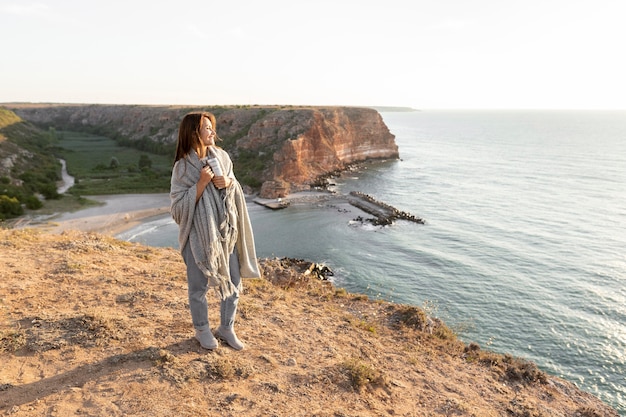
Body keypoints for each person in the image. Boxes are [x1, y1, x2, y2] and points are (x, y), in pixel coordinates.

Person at [170, 111, 260, 350]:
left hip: (225, 232)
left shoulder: (222, 157)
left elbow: (234, 186)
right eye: (207, 128)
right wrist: (200, 184)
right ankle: (202, 330)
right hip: (197, 235)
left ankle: (226, 327)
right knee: (198, 287)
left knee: (233, 282)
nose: (212, 132)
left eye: (212, 127)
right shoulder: (181, 168)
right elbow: (177, 210)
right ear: (193, 133)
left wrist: (228, 183)